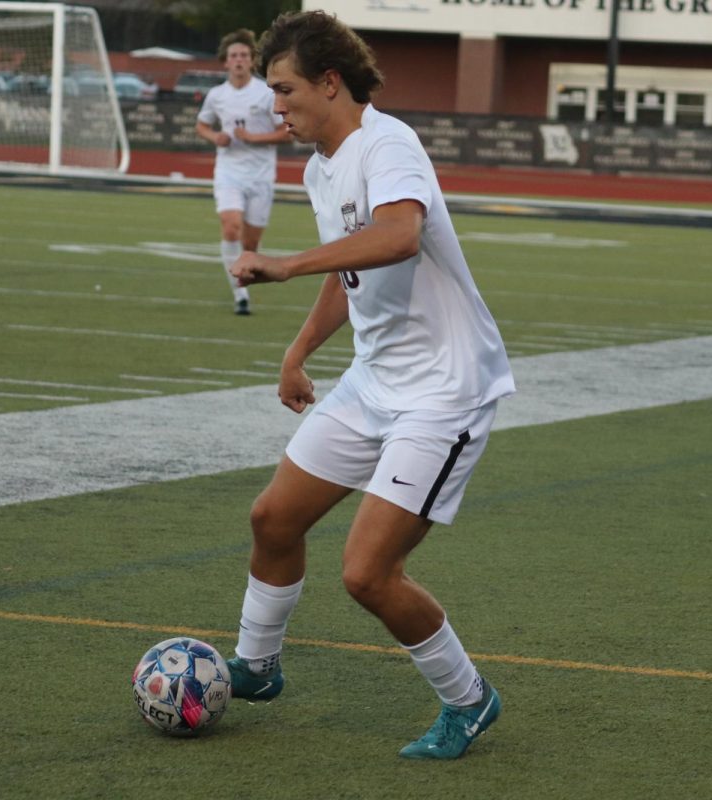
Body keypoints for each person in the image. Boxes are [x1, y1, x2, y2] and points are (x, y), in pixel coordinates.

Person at [225, 10, 516, 760]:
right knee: (273, 520)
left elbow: (397, 236)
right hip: (374, 382)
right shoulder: (323, 164)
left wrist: (286, 264)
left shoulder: (388, 144)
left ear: (330, 82)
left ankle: (470, 699)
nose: (274, 106)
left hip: (443, 393)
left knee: (368, 573)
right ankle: (256, 667)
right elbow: (354, 269)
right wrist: (297, 351)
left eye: (284, 91)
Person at [194, 29, 291, 315]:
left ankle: (244, 282)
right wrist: (216, 138)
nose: (239, 60)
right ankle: (240, 296)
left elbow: (286, 132)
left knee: (250, 244)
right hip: (228, 171)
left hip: (260, 175)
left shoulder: (265, 92)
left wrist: (252, 138)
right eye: (234, 56)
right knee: (230, 226)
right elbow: (202, 125)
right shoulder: (216, 95)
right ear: (225, 62)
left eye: (244, 56)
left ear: (251, 61)